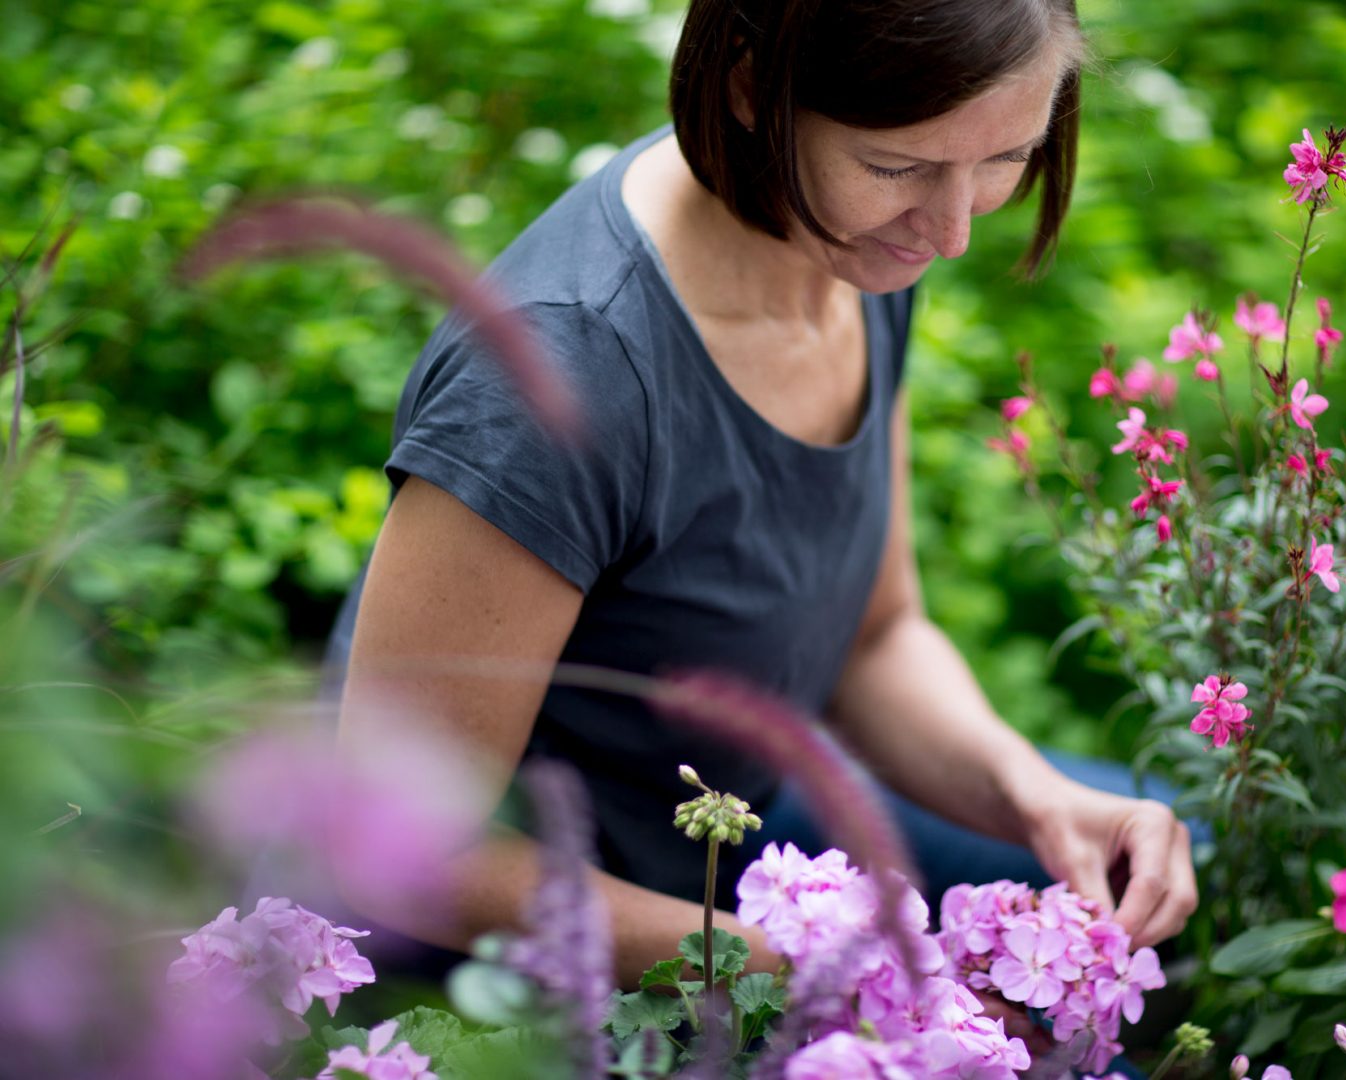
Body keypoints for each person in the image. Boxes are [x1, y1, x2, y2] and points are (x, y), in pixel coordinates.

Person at [327, 0, 1198, 1002]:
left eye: (1008, 157)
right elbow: (400, 852)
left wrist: (1038, 803)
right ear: (749, 85)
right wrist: (804, 971)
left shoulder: (849, 247)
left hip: (739, 838)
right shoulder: (555, 383)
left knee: (1193, 860)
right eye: (899, 167)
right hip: (486, 976)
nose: (954, 232)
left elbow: (875, 639)